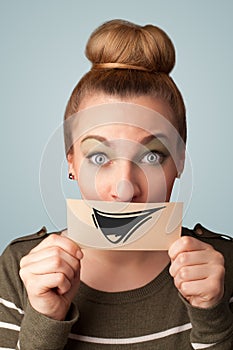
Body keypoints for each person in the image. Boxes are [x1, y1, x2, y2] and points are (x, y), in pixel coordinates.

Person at [0, 19, 232, 350]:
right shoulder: (21, 268)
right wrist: (44, 318)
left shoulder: (224, 267)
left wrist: (212, 317)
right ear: (71, 162)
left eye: (152, 156)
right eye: (98, 157)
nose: (124, 189)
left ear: (180, 162)